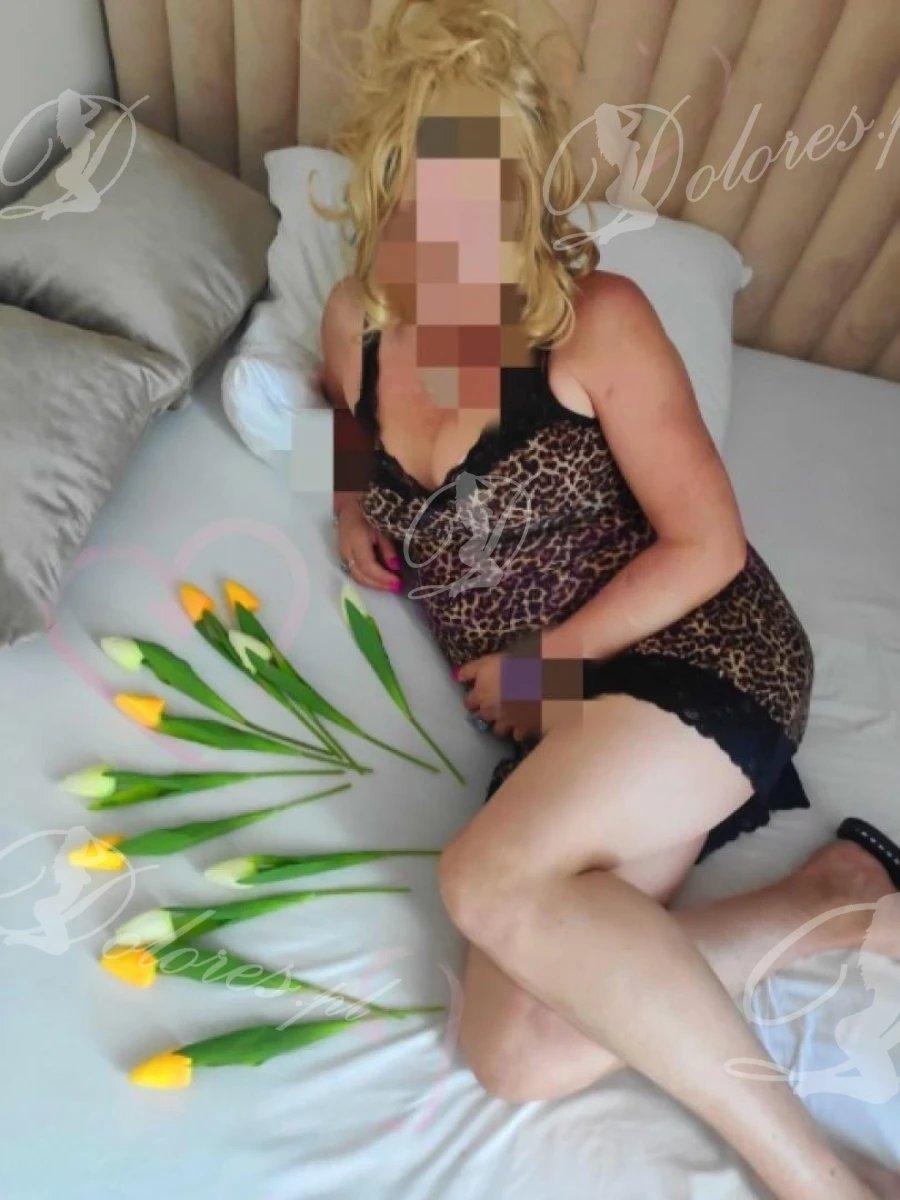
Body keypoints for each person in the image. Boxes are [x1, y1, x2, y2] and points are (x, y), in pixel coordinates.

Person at [318, 4, 900, 1196]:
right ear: (386, 182)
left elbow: (709, 545)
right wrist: (347, 502)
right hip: (560, 718)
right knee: (516, 1059)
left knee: (483, 879)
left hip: (692, 651)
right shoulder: (357, 323)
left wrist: (543, 663)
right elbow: (346, 418)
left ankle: (822, 1183)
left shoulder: (597, 322)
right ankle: (839, 900)